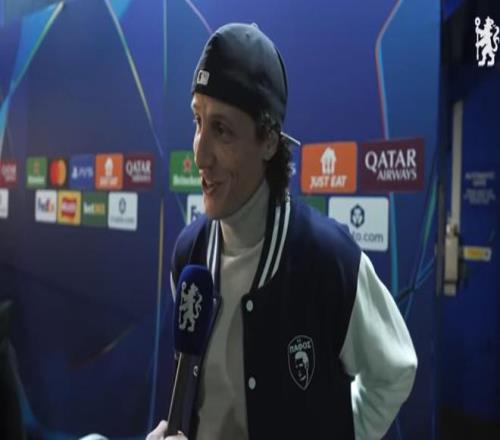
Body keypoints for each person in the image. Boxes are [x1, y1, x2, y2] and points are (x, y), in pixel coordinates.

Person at [148, 22, 417, 440]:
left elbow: (395, 369)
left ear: (270, 140)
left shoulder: (328, 260)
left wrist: (338, 431)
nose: (200, 154)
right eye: (198, 120)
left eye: (221, 130)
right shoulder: (189, 254)